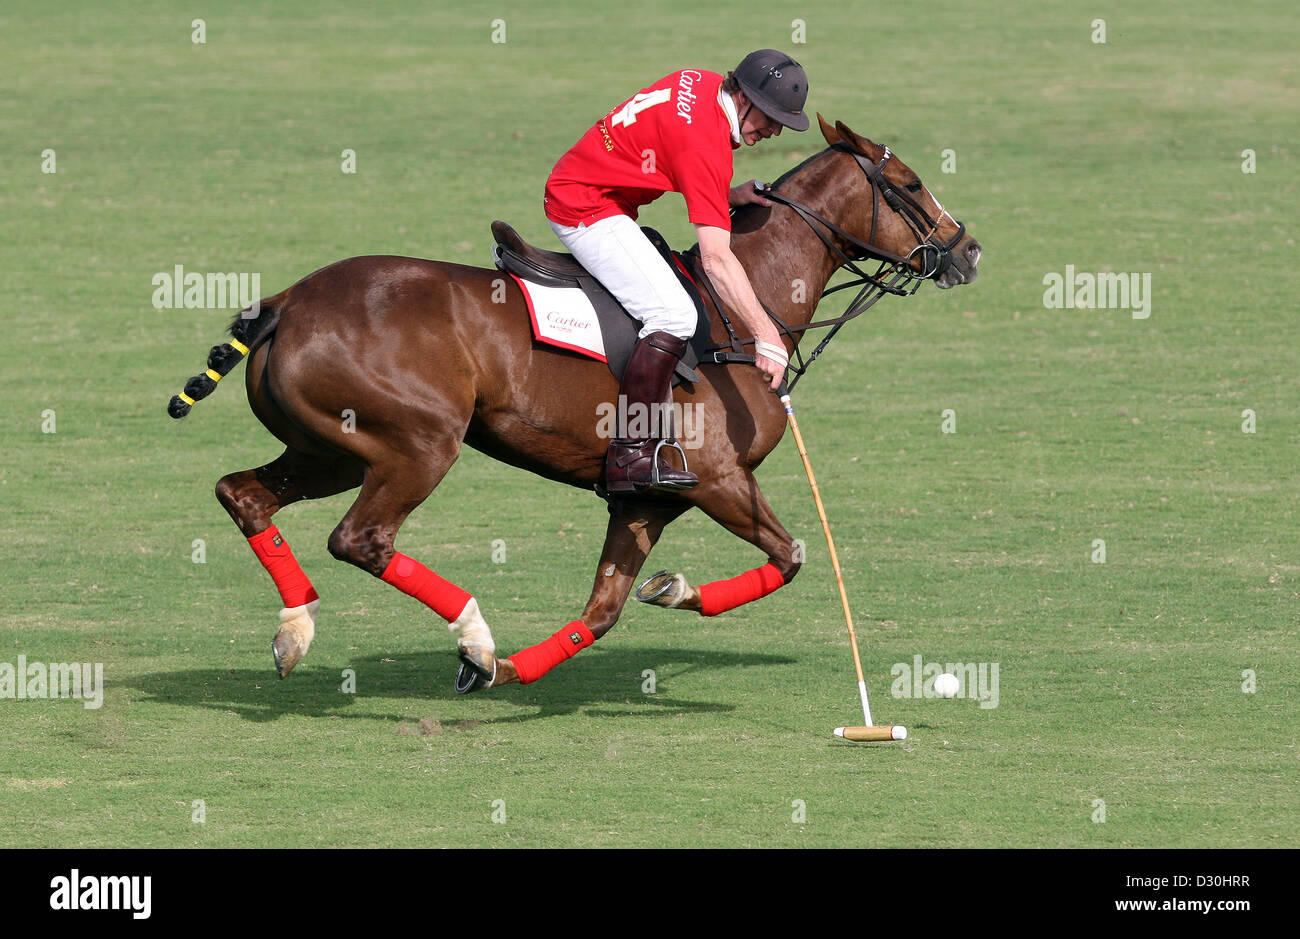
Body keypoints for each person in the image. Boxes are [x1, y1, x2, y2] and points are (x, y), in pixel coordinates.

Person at [544, 49, 810, 493]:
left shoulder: (701, 81)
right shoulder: (706, 143)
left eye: (781, 121)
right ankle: (630, 455)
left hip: (598, 187)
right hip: (585, 205)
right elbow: (717, 260)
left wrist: (725, 193)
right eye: (769, 116)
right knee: (675, 315)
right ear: (742, 97)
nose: (774, 130)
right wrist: (766, 334)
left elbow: (671, 152)